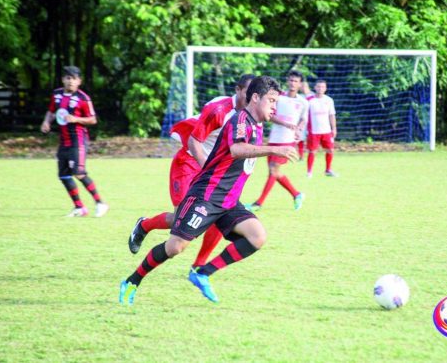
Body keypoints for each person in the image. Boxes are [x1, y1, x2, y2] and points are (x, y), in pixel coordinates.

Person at [119, 75, 298, 305]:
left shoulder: (257, 125)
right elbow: (237, 149)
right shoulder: (239, 120)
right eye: (272, 100)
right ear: (255, 98)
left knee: (257, 236)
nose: (275, 106)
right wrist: (275, 149)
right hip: (206, 196)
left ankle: (202, 273)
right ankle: (132, 281)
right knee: (175, 247)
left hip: (228, 200)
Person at [127, 75, 255, 273]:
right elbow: (194, 141)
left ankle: (199, 265)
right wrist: (208, 167)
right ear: (238, 90)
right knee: (181, 217)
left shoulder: (249, 115)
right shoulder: (219, 108)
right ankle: (144, 225)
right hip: (189, 162)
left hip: (214, 172)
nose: (251, 98)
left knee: (216, 214)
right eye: (248, 92)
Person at [40, 66, 109, 217]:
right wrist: (46, 122)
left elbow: (93, 119)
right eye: (68, 78)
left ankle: (100, 203)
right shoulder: (57, 94)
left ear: (79, 81)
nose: (70, 81)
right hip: (63, 141)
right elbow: (51, 111)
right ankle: (79, 208)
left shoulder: (83, 98)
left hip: (78, 141)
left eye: (74, 78)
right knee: (64, 175)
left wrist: (76, 119)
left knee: (78, 172)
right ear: (63, 80)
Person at [245, 70, 308, 212]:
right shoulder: (278, 98)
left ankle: (259, 203)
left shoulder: (303, 102)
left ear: (300, 84)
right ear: (287, 81)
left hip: (288, 140)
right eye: (291, 80)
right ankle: (297, 194)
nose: (293, 83)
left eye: (296, 81)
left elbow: (303, 119)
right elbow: (270, 115)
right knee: (275, 172)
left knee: (273, 170)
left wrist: (299, 129)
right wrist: (285, 124)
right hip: (275, 139)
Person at [306, 80, 338, 177]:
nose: (320, 89)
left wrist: (334, 128)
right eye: (318, 87)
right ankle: (309, 172)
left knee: (330, 150)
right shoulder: (310, 100)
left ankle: (328, 170)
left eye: (322, 87)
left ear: (325, 88)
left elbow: (332, 115)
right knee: (312, 151)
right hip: (314, 131)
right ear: (315, 88)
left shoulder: (329, 100)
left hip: (326, 131)